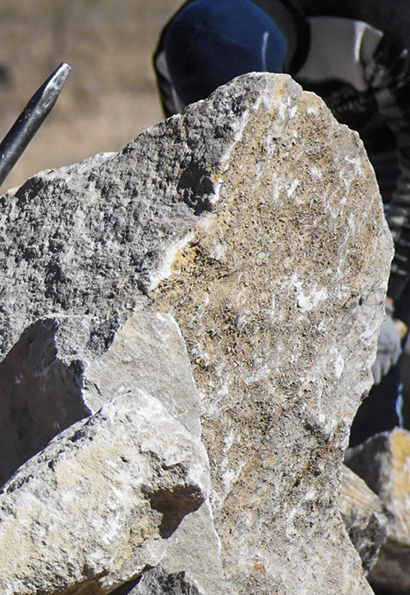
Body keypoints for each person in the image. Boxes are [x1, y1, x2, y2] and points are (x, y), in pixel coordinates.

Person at [154, 0, 410, 444]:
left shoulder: (377, 24)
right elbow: (214, 188)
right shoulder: (176, 53)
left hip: (390, 163)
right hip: (307, 172)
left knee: (384, 364)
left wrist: (386, 301)